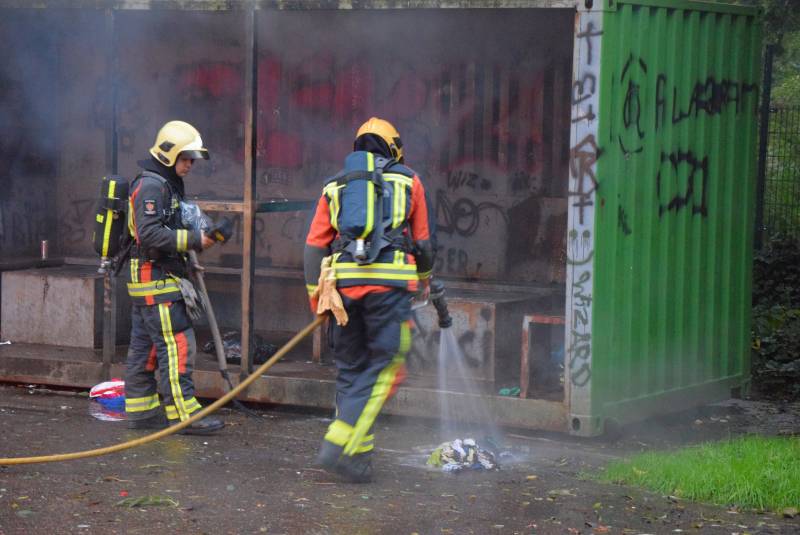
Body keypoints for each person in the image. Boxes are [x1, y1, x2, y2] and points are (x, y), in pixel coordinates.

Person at [304, 117, 435, 482]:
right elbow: (423, 242)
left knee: (351, 370)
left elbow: (314, 245)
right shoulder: (409, 179)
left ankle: (356, 461)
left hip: (344, 290)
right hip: (389, 289)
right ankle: (340, 443)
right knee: (390, 366)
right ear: (394, 148)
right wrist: (423, 279)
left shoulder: (334, 185)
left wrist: (316, 294)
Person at [123, 120, 224, 435]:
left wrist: (198, 246)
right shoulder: (153, 185)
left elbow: (169, 227)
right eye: (186, 158)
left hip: (152, 279)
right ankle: (184, 415)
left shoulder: (164, 184)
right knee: (176, 344)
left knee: (147, 349)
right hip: (157, 281)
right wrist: (193, 241)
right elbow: (150, 234)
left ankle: (142, 412)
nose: (191, 164)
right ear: (168, 154)